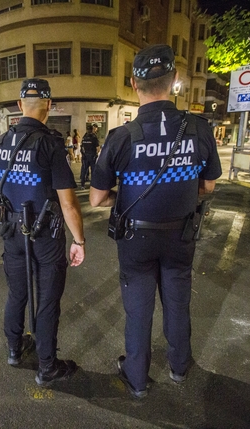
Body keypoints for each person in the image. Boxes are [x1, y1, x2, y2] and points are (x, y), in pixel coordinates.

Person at [89, 44, 222, 398]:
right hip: (181, 233)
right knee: (178, 301)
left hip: (136, 239)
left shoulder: (121, 136)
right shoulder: (198, 128)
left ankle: (136, 378)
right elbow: (207, 185)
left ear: (134, 83)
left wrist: (129, 198)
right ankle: (179, 368)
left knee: (138, 309)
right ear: (175, 80)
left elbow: (97, 197)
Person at [0, 78, 85, 386]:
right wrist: (79, 240)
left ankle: (15, 350)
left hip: (12, 231)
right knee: (46, 300)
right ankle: (47, 367)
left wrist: (10, 216)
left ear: (19, 107)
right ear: (48, 106)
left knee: (17, 293)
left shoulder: (1, 142)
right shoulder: (49, 144)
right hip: (44, 233)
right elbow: (68, 204)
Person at [79, 124, 99, 189]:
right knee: (93, 171)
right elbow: (97, 148)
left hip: (85, 156)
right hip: (92, 156)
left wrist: (83, 154)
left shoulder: (84, 137)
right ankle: (93, 185)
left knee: (84, 170)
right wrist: (97, 154)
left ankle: (82, 185)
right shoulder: (94, 137)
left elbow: (81, 147)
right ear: (92, 129)